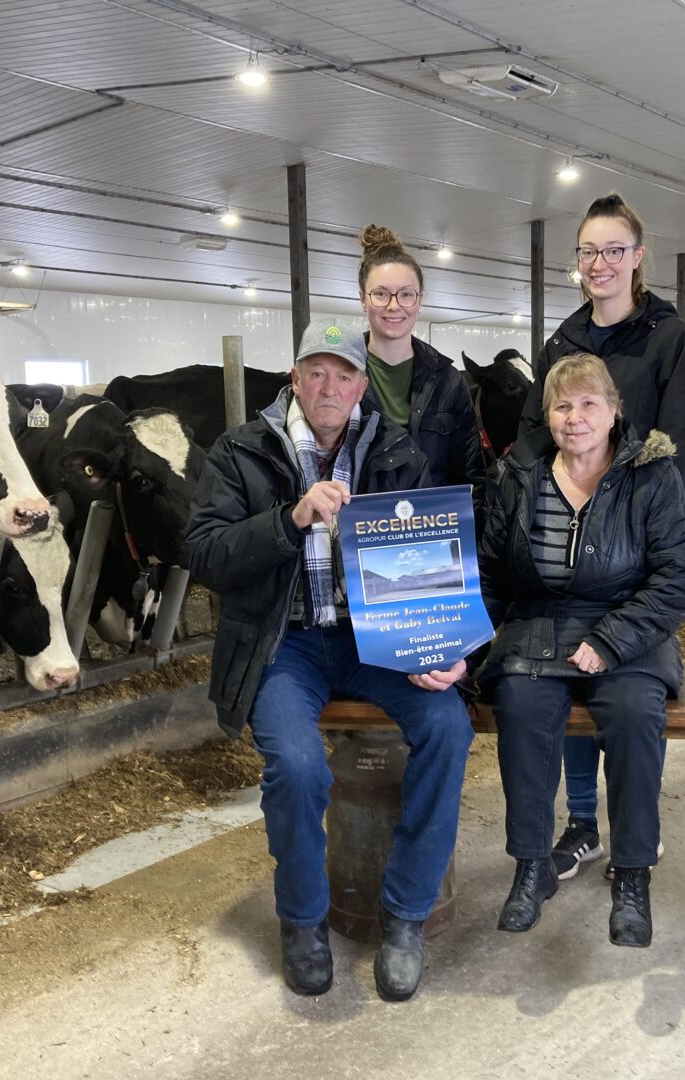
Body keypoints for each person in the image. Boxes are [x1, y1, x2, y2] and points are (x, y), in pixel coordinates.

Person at [186, 317, 473, 1002]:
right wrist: (291, 519)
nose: (329, 385)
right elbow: (203, 551)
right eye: (315, 371)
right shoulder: (242, 451)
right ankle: (303, 921)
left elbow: (434, 559)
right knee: (296, 763)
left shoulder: (397, 452)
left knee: (448, 727)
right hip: (284, 646)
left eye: (344, 374)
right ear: (294, 378)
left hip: (376, 642)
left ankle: (404, 916)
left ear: (362, 385)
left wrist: (443, 644)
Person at [479, 353, 685, 947]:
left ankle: (631, 872)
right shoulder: (518, 476)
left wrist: (610, 641)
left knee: (633, 715)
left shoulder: (651, 475)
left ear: (613, 411)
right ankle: (530, 866)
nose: (574, 418)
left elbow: (677, 579)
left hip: (630, 629)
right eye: (561, 405)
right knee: (519, 709)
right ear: (547, 415)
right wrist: (462, 647)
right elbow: (492, 575)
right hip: (538, 624)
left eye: (587, 404)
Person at [518, 193, 685, 881]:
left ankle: (633, 826)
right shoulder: (562, 340)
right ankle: (582, 825)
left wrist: (643, 529)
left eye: (614, 251)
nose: (600, 264)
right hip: (565, 546)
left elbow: (678, 451)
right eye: (589, 252)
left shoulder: (668, 338)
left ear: (637, 257)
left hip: (631, 548)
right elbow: (532, 439)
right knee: (563, 681)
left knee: (626, 694)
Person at [359, 224, 486, 494]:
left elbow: (471, 476)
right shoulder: (341, 375)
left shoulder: (448, 381)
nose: (394, 306)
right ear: (362, 299)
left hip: (432, 528)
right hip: (362, 530)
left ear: (420, 300)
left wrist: (469, 532)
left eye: (406, 294)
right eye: (381, 294)